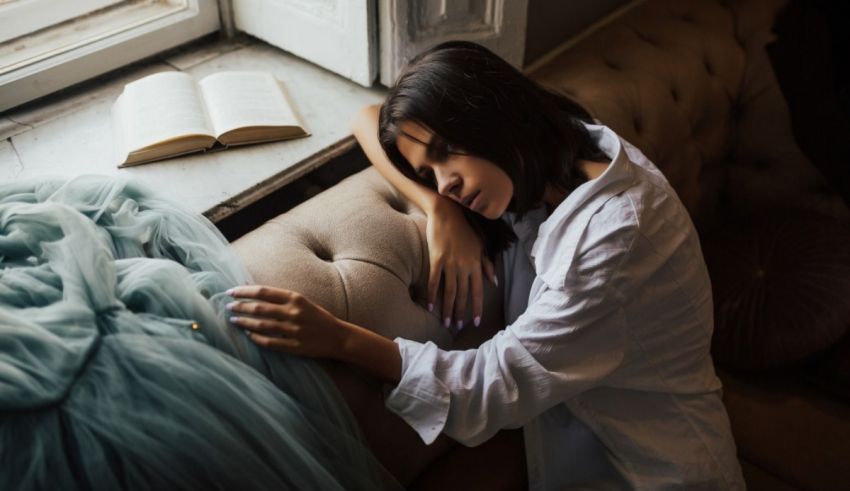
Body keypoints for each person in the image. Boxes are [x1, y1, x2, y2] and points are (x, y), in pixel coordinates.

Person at [226, 41, 746, 490]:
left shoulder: (613, 234)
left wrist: (339, 339)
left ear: (494, 114)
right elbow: (367, 118)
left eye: (447, 154)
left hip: (652, 467)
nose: (445, 180)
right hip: (574, 440)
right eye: (429, 171)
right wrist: (438, 208)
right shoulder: (564, 148)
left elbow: (496, 381)